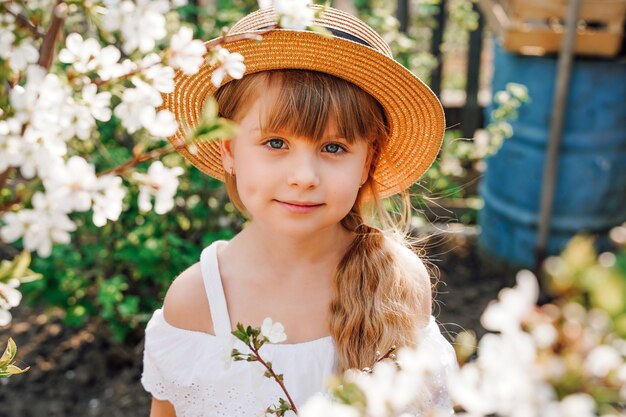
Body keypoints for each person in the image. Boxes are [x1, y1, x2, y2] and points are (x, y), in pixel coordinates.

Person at [141, 4, 457, 417]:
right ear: (230, 149)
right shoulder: (196, 300)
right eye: (275, 143)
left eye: (333, 148)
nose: (303, 176)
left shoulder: (399, 284)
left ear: (367, 162)